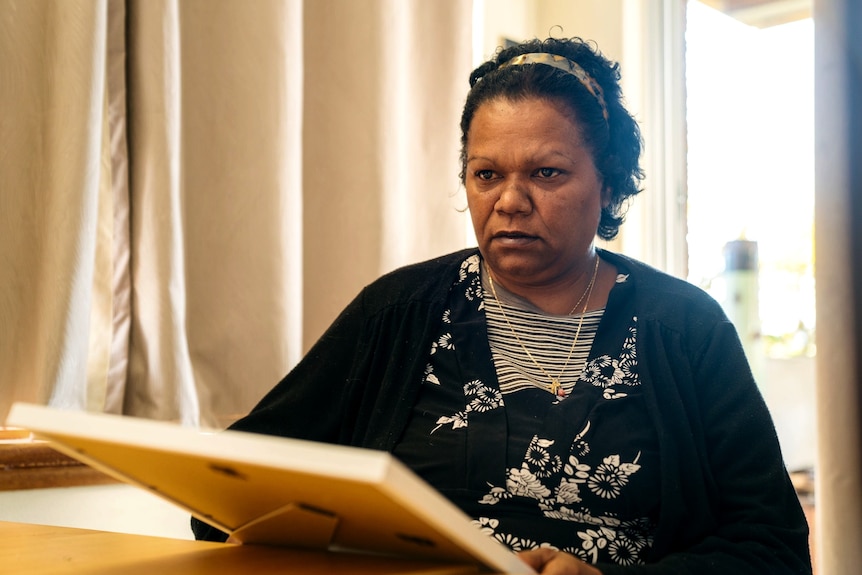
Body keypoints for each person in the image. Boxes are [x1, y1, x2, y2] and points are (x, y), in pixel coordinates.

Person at [193, 37, 812, 574]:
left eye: (546, 173)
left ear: (610, 181)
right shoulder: (397, 313)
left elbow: (773, 550)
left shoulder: (684, 329)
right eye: (486, 174)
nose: (510, 201)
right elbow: (230, 494)